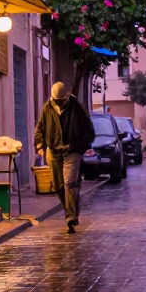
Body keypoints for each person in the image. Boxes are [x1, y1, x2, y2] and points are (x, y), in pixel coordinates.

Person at [34, 82, 95, 234]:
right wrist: (40, 146)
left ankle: (71, 216)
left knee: (70, 183)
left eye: (60, 101)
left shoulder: (77, 108)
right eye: (56, 101)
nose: (58, 103)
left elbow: (89, 131)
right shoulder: (47, 108)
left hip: (72, 151)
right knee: (58, 185)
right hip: (53, 151)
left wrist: (80, 147)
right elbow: (40, 128)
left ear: (66, 97)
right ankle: (69, 210)